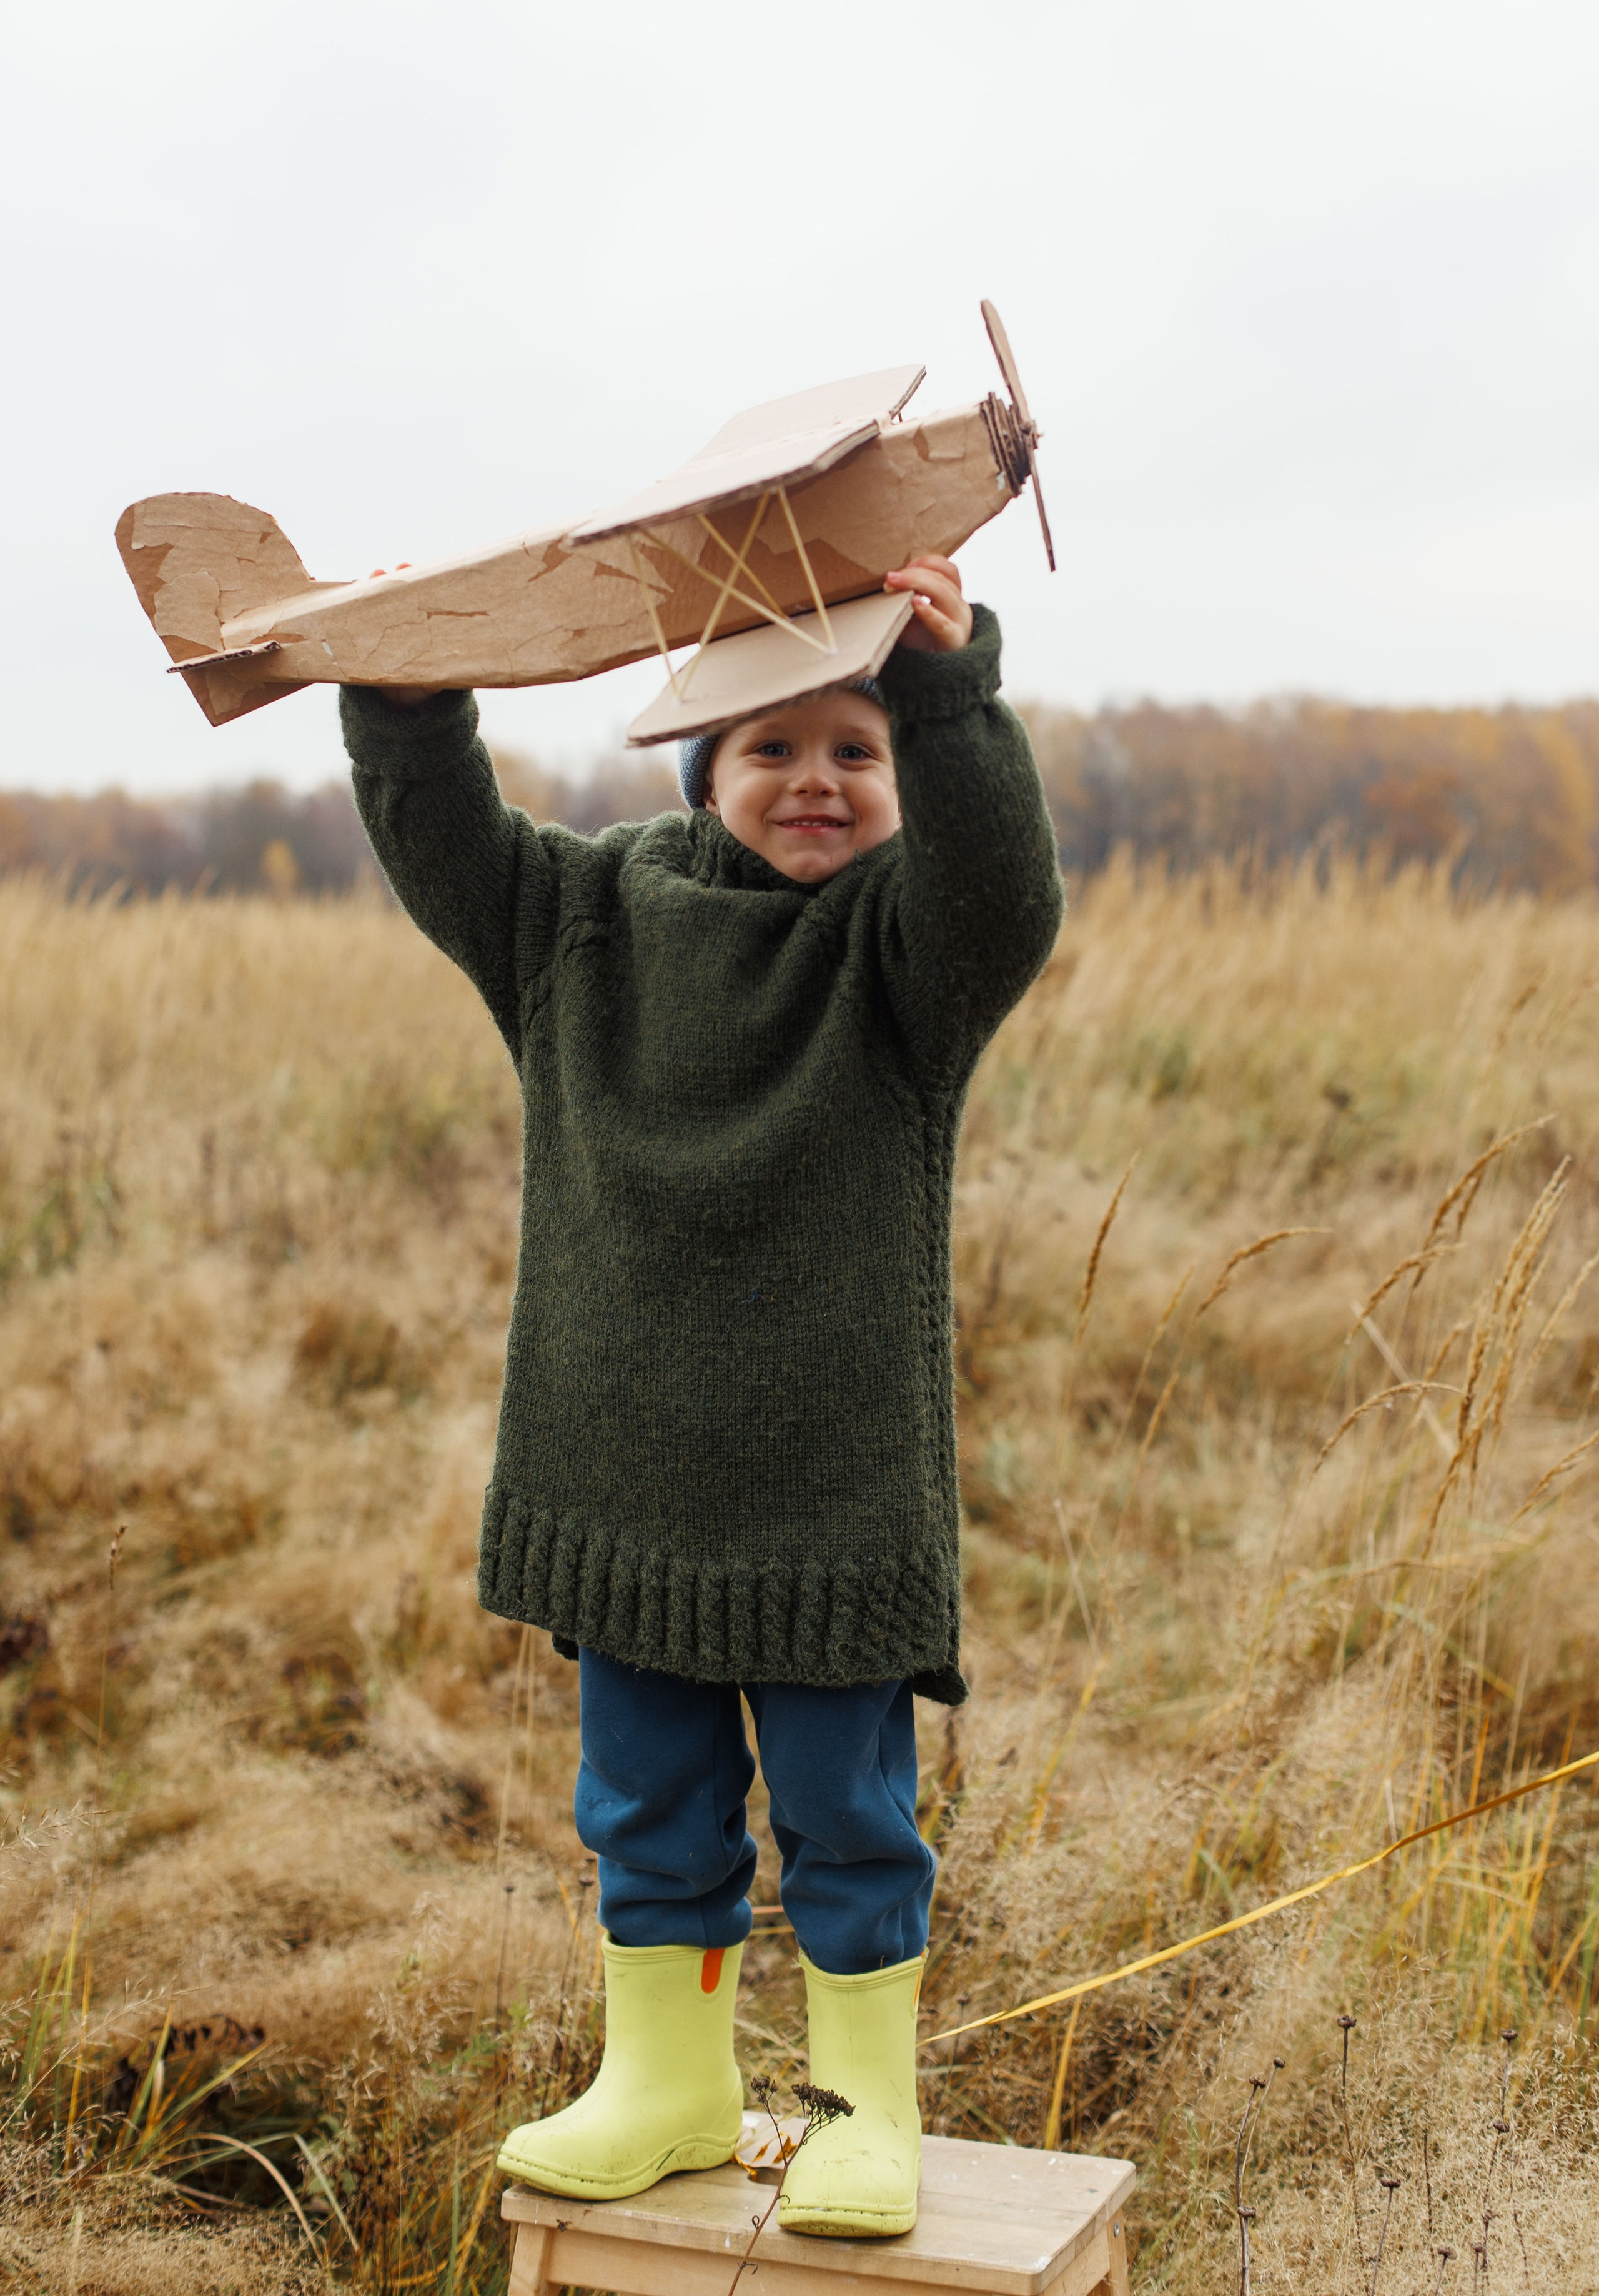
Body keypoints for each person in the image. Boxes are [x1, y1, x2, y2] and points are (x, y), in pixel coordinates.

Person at [339, 555, 1063, 2236]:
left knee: (845, 1818)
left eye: (857, 750)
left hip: (832, 1493)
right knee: (648, 1812)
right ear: (700, 771)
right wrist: (404, 689)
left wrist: (949, 691)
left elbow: (1005, 893)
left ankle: (859, 2108)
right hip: (623, 1490)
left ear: (901, 781)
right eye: (771, 748)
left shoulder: (902, 963)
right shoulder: (575, 920)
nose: (816, 779)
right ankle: (667, 2084)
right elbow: (445, 846)